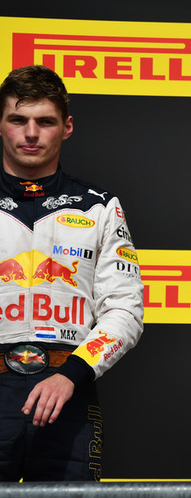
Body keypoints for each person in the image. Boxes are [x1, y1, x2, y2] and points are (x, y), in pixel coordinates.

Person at [0, 65, 144, 481]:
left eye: (45, 121)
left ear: (67, 127)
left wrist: (71, 375)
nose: (31, 133)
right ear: (1, 124)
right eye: (17, 120)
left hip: (68, 391)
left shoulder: (98, 207)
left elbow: (126, 312)